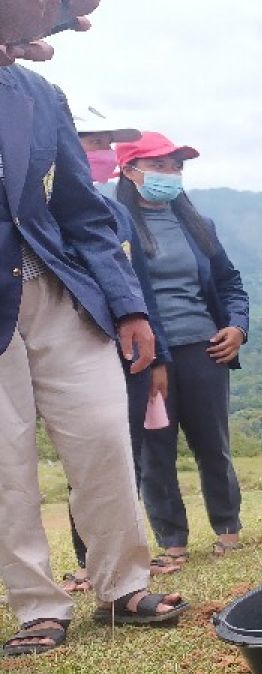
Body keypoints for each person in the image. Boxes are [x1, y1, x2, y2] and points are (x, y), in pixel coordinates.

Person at [0, 47, 188, 657]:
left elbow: (80, 208)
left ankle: (122, 585)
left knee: (105, 435)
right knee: (5, 464)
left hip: (58, 289)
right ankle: (38, 606)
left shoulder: (36, 92)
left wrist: (128, 304)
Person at [60, 102, 179, 592]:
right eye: (92, 143)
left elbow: (141, 290)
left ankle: (128, 558)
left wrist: (159, 358)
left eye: (108, 145)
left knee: (123, 454)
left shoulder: (114, 213)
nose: (103, 154)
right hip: (70, 350)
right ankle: (88, 560)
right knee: (81, 459)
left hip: (127, 354)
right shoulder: (40, 214)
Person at [115, 132, 249, 564]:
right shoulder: (114, 226)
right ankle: (173, 541)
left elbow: (229, 282)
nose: (170, 175)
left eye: (176, 167)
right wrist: (146, 358)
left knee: (213, 442)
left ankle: (227, 528)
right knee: (157, 448)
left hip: (204, 349)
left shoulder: (198, 224)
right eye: (159, 166)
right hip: (148, 355)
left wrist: (237, 328)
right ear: (130, 171)